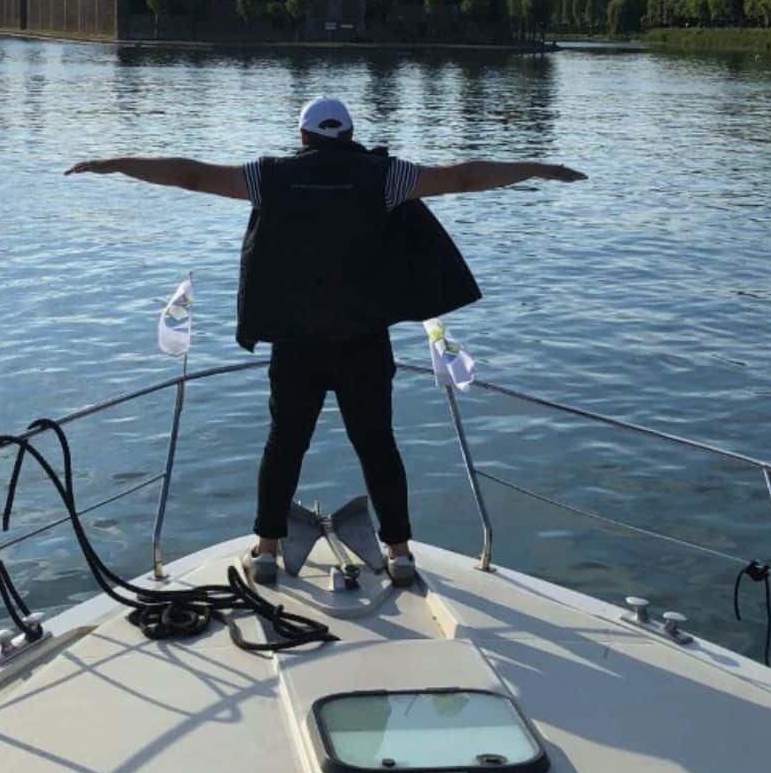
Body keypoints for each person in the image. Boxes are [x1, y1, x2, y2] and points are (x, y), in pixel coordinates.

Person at [67, 94, 586, 584]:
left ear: (303, 135)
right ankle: (400, 553)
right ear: (351, 134)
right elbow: (465, 175)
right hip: (364, 340)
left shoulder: (269, 177)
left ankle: (267, 550)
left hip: (296, 342)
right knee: (378, 444)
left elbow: (190, 173)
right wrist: (537, 168)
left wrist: (113, 162)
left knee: (285, 442)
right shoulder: (388, 177)